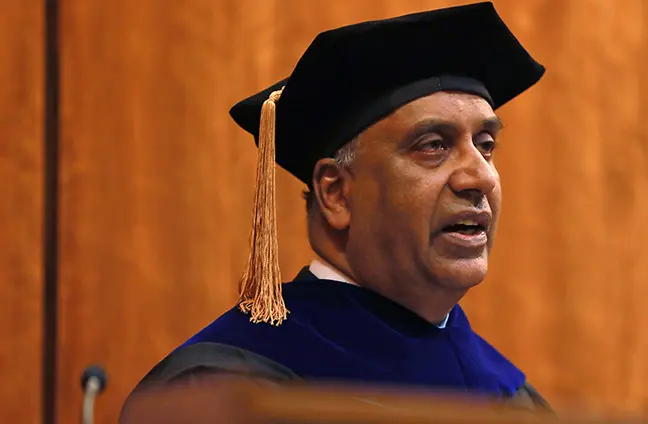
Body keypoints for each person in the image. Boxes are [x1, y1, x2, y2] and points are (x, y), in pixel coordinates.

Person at [122, 1, 551, 417]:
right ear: (336, 194)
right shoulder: (227, 389)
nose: (480, 178)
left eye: (486, 145)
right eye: (433, 146)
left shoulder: (512, 399)